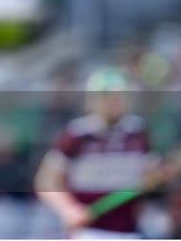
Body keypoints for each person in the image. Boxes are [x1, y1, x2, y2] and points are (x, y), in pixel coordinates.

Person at [34, 68, 155, 239]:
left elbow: (149, 175)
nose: (115, 102)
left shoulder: (138, 131)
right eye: (107, 96)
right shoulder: (77, 135)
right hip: (89, 231)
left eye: (120, 96)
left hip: (129, 231)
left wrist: (156, 177)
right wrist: (69, 209)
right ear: (92, 100)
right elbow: (46, 181)